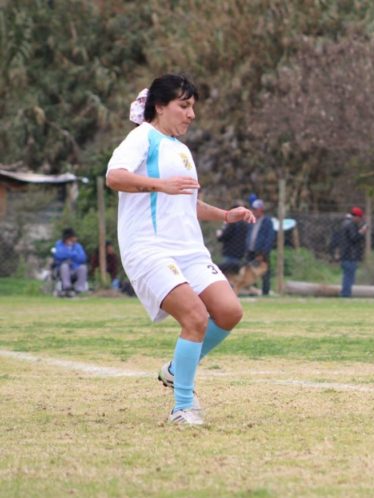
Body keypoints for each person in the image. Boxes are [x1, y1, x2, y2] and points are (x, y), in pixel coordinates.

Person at [105, 74, 256, 426]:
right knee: (195, 317)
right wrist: (160, 184)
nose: (191, 114)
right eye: (184, 106)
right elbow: (115, 176)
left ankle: (175, 369)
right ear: (160, 106)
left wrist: (224, 215)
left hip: (189, 250)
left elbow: (185, 201)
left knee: (229, 312)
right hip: (150, 247)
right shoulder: (143, 136)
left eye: (193, 107)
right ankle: (183, 407)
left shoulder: (181, 150)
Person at [244, 196, 276, 296]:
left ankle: (265, 291)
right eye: (253, 209)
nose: (253, 211)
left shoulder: (267, 222)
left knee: (265, 272)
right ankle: (252, 290)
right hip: (251, 250)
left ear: (261, 210)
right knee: (250, 271)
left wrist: (264, 253)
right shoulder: (252, 220)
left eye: (255, 209)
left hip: (261, 252)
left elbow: (269, 238)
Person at [338, 207, 367, 297]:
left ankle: (346, 293)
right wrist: (361, 232)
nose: (360, 220)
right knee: (349, 276)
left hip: (345, 253)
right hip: (350, 254)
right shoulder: (351, 225)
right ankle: (346, 294)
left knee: (347, 275)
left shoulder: (344, 223)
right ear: (356, 217)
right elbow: (354, 238)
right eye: (359, 218)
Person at [53, 227, 88, 297]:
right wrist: (73, 254)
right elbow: (58, 255)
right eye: (73, 237)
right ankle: (67, 288)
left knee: (83, 268)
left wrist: (70, 254)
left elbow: (82, 258)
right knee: (64, 266)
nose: (75, 239)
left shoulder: (78, 246)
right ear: (68, 238)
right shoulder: (59, 244)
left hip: (75, 268)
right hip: (63, 270)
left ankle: (79, 289)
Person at [216, 203, 249, 275]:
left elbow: (225, 235)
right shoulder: (245, 224)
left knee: (227, 274)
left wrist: (219, 234)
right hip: (240, 253)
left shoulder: (232, 223)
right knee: (235, 275)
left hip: (230, 252)